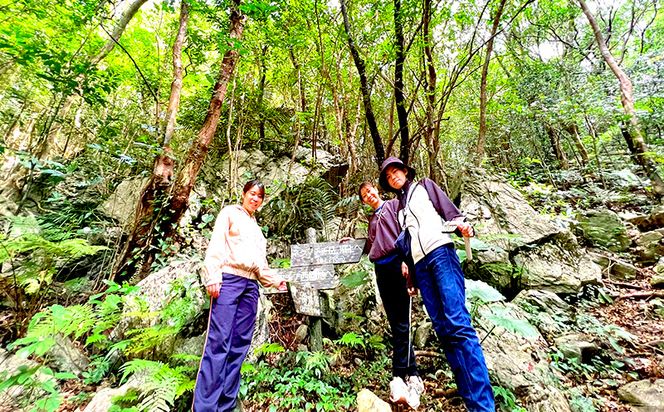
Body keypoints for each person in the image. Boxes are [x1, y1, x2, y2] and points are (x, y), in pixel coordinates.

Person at [378, 157, 495, 412]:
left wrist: (463, 225)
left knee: (458, 324)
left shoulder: (425, 186)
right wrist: (411, 279)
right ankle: (470, 401)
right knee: (443, 330)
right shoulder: (399, 209)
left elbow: (450, 213)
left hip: (441, 253)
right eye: (388, 176)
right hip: (421, 267)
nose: (394, 176)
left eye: (396, 171)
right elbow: (407, 246)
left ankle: (483, 406)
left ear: (405, 172)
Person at [192, 180, 287, 412]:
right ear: (244, 194)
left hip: (251, 286)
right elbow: (217, 244)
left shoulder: (257, 228)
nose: (255, 199)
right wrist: (212, 275)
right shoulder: (229, 213)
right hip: (229, 280)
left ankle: (225, 405)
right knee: (219, 341)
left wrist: (275, 281)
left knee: (240, 344)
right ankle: (205, 407)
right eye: (252, 194)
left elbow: (260, 265)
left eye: (260, 197)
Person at [353, 181, 424, 408]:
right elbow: (374, 245)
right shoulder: (372, 219)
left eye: (370, 190)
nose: (369, 195)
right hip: (381, 269)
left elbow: (406, 232)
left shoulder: (394, 206)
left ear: (377, 190)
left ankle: (397, 375)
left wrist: (407, 260)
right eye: (365, 195)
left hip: (397, 263)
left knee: (403, 320)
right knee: (396, 323)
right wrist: (355, 244)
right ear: (364, 200)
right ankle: (412, 372)